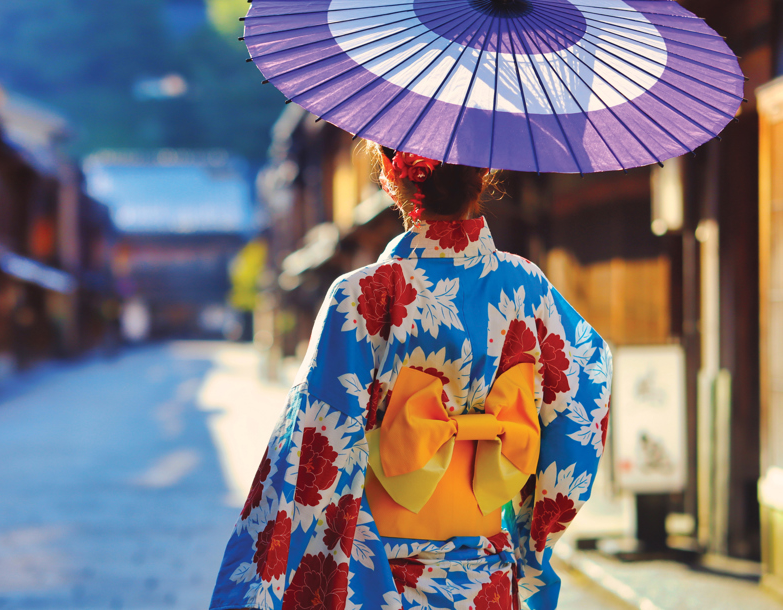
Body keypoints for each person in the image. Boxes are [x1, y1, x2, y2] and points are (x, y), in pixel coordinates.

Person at [209, 143, 612, 610]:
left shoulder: (361, 295)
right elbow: (585, 391)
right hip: (486, 577)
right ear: (483, 176)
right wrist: (534, 533)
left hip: (382, 575)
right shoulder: (527, 287)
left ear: (389, 177)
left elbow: (313, 452)